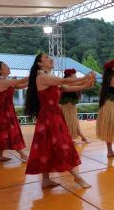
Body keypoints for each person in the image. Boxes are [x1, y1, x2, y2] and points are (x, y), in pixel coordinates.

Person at [24, 53, 94, 188]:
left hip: (53, 116)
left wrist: (85, 85)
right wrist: (84, 78)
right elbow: (63, 81)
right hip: (49, 117)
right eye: (46, 58)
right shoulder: (43, 77)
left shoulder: (48, 78)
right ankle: (77, 177)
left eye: (51, 57)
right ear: (39, 63)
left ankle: (45, 180)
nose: (51, 58)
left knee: (47, 146)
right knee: (61, 145)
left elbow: (67, 88)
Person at [0, 61, 28, 162]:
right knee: (11, 133)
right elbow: (20, 81)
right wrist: (35, 73)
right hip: (2, 113)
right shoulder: (3, 82)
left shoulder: (6, 81)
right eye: (5, 66)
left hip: (7, 112)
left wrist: (36, 81)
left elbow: (21, 85)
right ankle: (23, 155)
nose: (8, 67)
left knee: (3, 134)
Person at [60, 69, 92, 144]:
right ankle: (70, 138)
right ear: (69, 76)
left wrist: (90, 79)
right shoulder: (66, 82)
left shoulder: (72, 82)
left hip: (71, 106)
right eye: (74, 74)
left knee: (74, 122)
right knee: (68, 122)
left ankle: (82, 137)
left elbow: (83, 84)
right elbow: (80, 83)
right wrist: (87, 79)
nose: (76, 76)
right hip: (66, 106)